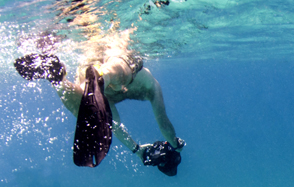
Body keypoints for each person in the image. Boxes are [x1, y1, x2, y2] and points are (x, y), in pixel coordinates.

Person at [14, 52, 185, 176]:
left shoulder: (149, 87)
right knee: (118, 76)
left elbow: (115, 126)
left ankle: (57, 76)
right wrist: (176, 143)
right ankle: (69, 79)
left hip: (97, 66)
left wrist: (137, 149)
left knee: (98, 113)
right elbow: (164, 125)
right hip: (117, 63)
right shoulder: (153, 88)